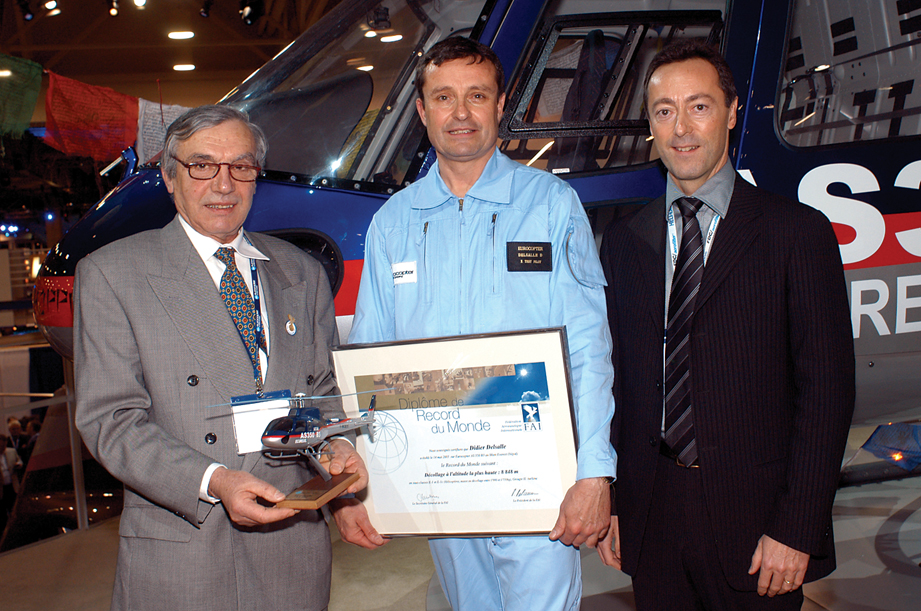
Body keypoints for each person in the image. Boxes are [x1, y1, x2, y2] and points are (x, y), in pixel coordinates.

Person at [331, 36, 616, 611]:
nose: (460, 114)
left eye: (476, 96)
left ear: (500, 104)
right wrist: (361, 483)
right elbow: (369, 359)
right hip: (443, 478)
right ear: (422, 110)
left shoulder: (552, 205)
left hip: (540, 477)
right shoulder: (394, 223)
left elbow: (588, 349)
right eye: (444, 97)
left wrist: (595, 473)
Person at [74, 105, 368, 611]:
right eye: (202, 165)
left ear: (258, 177)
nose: (224, 184)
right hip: (185, 548)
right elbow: (111, 420)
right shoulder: (112, 274)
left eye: (242, 166)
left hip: (291, 545)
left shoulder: (301, 272)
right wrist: (214, 481)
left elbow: (322, 391)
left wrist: (334, 446)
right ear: (169, 176)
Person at [598, 40, 855, 609]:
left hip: (760, 524)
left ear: (733, 111)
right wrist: (618, 501)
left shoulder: (797, 234)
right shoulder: (623, 242)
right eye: (664, 111)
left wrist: (798, 526)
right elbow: (620, 383)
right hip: (654, 516)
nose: (681, 128)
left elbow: (826, 394)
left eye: (699, 106)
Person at [0, 434, 23, 534]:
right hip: (1, 488)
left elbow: (19, 460)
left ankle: (17, 531)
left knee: (14, 509)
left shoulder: (11, 451)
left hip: (12, 486)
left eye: (4, 446)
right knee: (2, 514)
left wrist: (19, 464)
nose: (3, 448)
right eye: (1, 446)